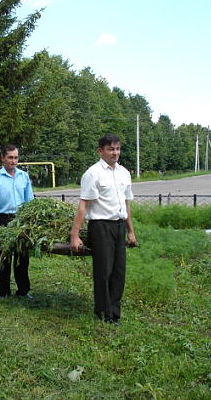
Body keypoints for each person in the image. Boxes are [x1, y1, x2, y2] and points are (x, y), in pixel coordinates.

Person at [70, 134, 138, 324]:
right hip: (100, 227)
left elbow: (126, 205)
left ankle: (114, 313)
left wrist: (130, 231)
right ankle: (103, 313)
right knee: (103, 271)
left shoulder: (124, 173)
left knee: (118, 271)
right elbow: (83, 205)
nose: (115, 153)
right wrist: (74, 236)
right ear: (100, 151)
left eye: (117, 149)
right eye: (110, 149)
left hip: (118, 226)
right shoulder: (93, 173)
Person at [0, 145, 34, 299]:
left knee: (22, 257)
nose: (14, 161)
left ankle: (23, 291)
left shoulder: (23, 176)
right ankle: (4, 292)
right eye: (10, 158)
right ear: (3, 158)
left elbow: (29, 201)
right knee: (3, 257)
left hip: (21, 220)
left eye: (16, 157)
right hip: (2, 220)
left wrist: (31, 223)